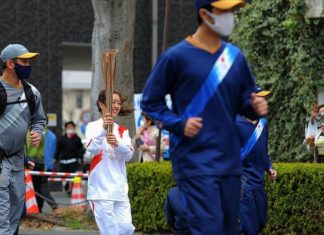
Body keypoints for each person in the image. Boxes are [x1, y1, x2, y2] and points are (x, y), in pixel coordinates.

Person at [140, 0, 268, 234]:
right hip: (195, 161)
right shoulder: (176, 57)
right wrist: (178, 123)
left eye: (232, 10)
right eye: (225, 11)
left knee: (227, 228)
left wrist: (254, 106)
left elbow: (244, 102)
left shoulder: (234, 57)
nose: (231, 16)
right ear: (205, 14)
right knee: (207, 228)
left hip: (229, 163)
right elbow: (150, 102)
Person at [0, 43, 46, 234]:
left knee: (17, 205)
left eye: (29, 61)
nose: (28, 65)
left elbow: (40, 120)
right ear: (10, 64)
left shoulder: (32, 93)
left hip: (18, 159)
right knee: (2, 209)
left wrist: (38, 132)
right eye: (24, 61)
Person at [86, 90, 135, 235]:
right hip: (100, 192)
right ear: (102, 104)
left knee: (126, 228)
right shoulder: (93, 127)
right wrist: (103, 130)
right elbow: (92, 148)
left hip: (120, 191)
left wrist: (117, 144)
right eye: (112, 102)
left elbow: (129, 155)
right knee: (110, 232)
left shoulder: (122, 131)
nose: (116, 106)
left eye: (119, 103)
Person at [235, 88, 277, 235]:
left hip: (258, 179)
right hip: (241, 180)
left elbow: (263, 151)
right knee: (249, 227)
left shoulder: (263, 124)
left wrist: (269, 167)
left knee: (260, 221)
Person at [25, 119, 58, 212]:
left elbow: (25, 148)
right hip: (43, 165)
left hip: (31, 164)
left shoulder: (28, 132)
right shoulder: (51, 135)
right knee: (41, 189)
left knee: (36, 188)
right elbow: (51, 153)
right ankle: (40, 209)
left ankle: (36, 209)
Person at [54, 121, 84, 195]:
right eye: (68, 127)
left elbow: (81, 149)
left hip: (73, 160)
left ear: (74, 128)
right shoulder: (62, 139)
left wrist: (80, 157)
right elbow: (58, 149)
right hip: (64, 161)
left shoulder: (77, 139)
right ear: (66, 128)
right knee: (65, 177)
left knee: (72, 174)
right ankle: (68, 186)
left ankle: (71, 188)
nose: (70, 128)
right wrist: (55, 158)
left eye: (71, 127)